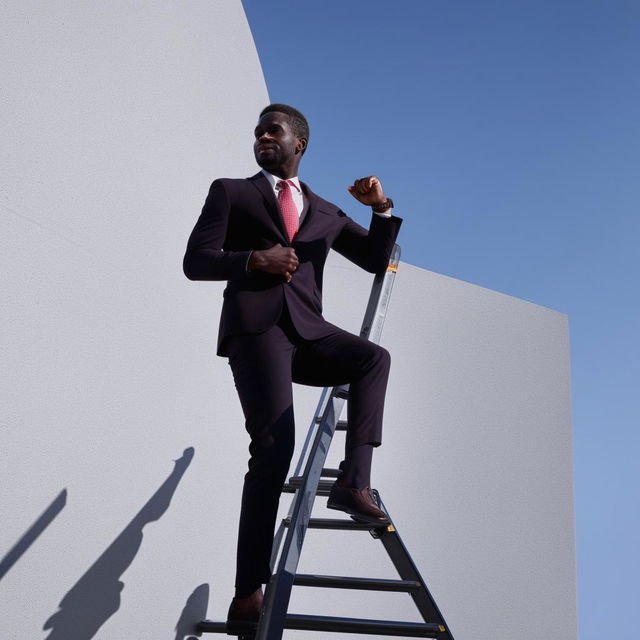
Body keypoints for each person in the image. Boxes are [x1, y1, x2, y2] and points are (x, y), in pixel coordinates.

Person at [183, 104, 402, 623]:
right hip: (256, 333)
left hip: (308, 331)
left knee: (373, 359)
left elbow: (375, 256)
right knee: (274, 450)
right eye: (257, 130)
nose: (262, 135)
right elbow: (195, 261)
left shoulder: (325, 210)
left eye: (272, 129)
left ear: (298, 143)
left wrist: (381, 208)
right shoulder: (231, 192)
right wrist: (254, 260)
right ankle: (247, 592)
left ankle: (353, 483)